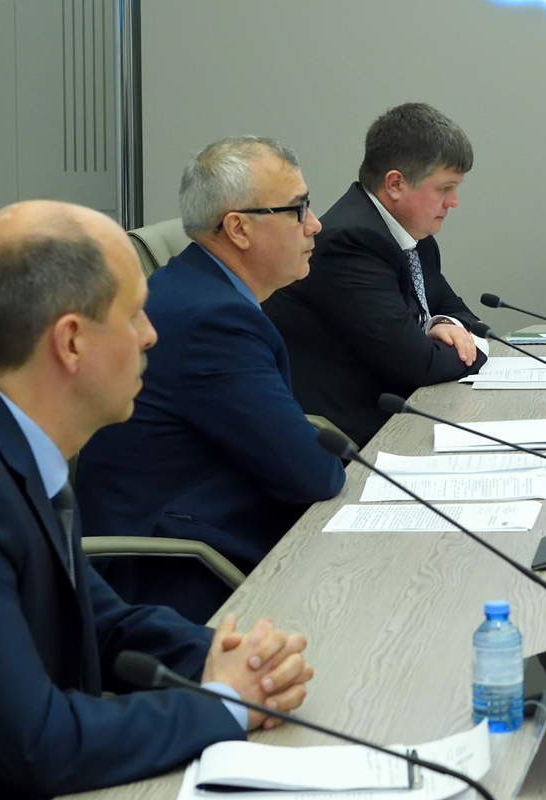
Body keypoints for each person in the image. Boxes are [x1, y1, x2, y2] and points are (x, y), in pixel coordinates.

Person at [0, 201, 316, 798]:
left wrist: (232, 657)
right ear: (72, 342)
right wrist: (226, 703)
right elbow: (39, 744)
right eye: (134, 315)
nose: (151, 335)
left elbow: (98, 624)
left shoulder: (0, 441)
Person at [76, 138, 346, 622]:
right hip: (178, 573)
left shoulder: (195, 287)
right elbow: (312, 474)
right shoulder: (213, 321)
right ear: (238, 228)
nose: (314, 225)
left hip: (188, 531)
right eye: (298, 209)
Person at [265, 103, 487, 445]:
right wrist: (476, 345)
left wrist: (444, 324)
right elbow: (419, 365)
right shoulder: (350, 242)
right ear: (395, 184)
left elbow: (460, 313)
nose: (454, 201)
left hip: (401, 415)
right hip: (349, 439)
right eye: (445, 188)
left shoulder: (413, 238)